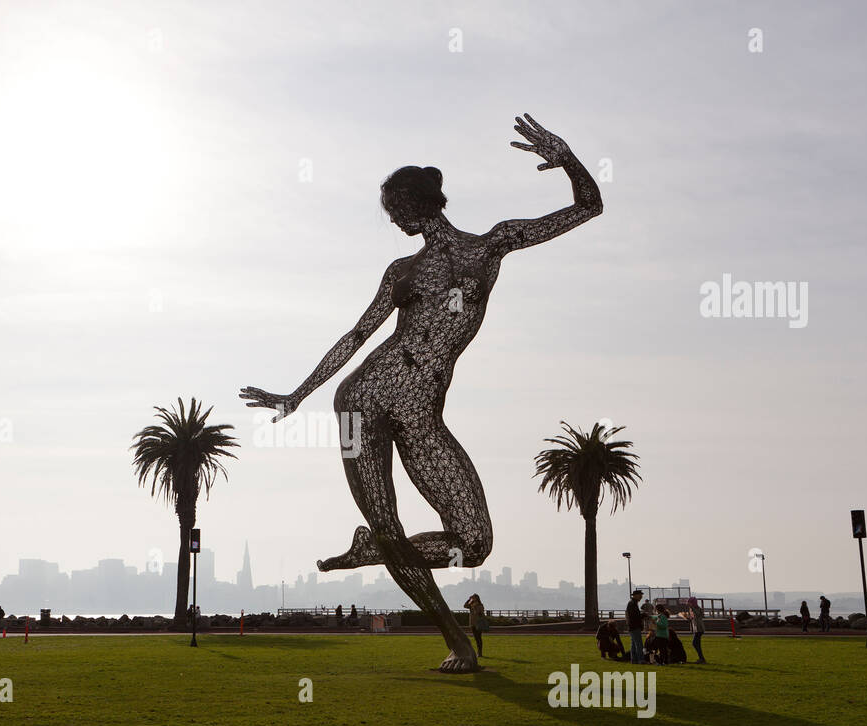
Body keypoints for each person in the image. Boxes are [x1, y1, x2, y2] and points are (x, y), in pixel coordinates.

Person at [239, 114, 602, 674]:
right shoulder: (400, 271)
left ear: (417, 204)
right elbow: (359, 334)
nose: (394, 221)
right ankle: (457, 641)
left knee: (474, 542)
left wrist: (567, 158)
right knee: (389, 523)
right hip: (362, 401)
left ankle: (375, 550)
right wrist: (296, 396)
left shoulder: (492, 245)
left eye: (395, 211)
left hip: (421, 414)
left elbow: (587, 207)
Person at [682, 596, 707, 663]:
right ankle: (701, 658)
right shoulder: (692, 609)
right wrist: (686, 617)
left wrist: (692, 608)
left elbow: (698, 614)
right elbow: (692, 618)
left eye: (690, 603)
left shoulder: (696, 608)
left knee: (695, 643)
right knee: (696, 644)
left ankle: (701, 658)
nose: (689, 604)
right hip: (697, 628)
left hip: (699, 628)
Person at [625, 589, 646, 663]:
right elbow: (634, 616)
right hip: (634, 626)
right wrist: (643, 615)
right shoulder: (632, 604)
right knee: (639, 644)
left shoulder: (632, 603)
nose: (641, 597)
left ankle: (633, 660)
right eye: (640, 595)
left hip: (632, 626)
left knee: (634, 644)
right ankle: (641, 660)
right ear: (635, 596)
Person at [463, 593, 486, 658]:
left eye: (474, 597)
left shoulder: (480, 605)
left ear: (477, 598)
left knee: (479, 638)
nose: (473, 598)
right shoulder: (471, 605)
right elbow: (464, 606)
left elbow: (481, 613)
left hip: (478, 623)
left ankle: (480, 652)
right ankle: (478, 652)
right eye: (472, 597)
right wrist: (468, 599)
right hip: (472, 623)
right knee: (476, 638)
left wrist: (475, 608)